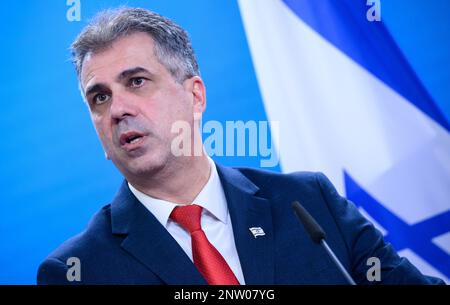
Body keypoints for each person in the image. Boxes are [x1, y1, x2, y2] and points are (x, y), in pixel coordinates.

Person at [37, 7, 444, 285]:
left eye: (136, 82)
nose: (118, 109)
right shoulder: (78, 269)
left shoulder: (309, 204)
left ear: (195, 96)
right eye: (99, 98)